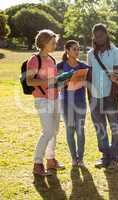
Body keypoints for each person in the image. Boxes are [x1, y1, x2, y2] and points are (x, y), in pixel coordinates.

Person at [27, 29, 65, 176]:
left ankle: (50, 160)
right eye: (53, 42)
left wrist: (63, 81)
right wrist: (48, 81)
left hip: (55, 98)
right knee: (48, 131)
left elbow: (54, 82)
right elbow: (30, 81)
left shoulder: (52, 60)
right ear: (44, 43)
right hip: (42, 99)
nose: (55, 44)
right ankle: (37, 164)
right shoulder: (34, 60)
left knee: (54, 131)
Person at [87, 23, 118, 170]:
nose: (98, 38)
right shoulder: (90, 54)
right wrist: (89, 96)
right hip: (95, 96)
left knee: (114, 127)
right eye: (96, 35)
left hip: (110, 96)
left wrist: (114, 95)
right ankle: (104, 156)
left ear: (106, 34)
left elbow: (117, 74)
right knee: (100, 128)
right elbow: (88, 76)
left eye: (101, 35)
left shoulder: (115, 52)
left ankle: (114, 158)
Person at [57, 40, 90, 167]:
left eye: (78, 49)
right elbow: (56, 84)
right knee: (70, 129)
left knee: (80, 130)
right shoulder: (60, 66)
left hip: (80, 101)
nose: (77, 51)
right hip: (66, 101)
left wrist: (82, 81)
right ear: (67, 51)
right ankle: (73, 158)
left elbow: (88, 83)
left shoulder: (83, 66)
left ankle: (80, 158)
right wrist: (66, 81)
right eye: (74, 49)